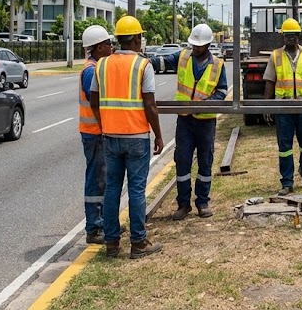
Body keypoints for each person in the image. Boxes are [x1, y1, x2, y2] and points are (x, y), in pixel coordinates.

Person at [90, 15, 165, 259]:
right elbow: (150, 105)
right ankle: (139, 242)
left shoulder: (101, 65)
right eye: (141, 36)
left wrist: (104, 124)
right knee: (136, 190)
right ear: (134, 39)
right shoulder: (143, 65)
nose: (142, 40)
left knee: (112, 189)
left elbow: (94, 101)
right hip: (136, 137)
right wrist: (158, 135)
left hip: (110, 136)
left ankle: (112, 243)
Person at [152, 24, 227, 220]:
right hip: (185, 121)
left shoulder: (218, 65)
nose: (195, 48)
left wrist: (203, 105)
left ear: (208, 45)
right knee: (182, 161)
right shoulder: (183, 57)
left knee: (205, 162)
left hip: (205, 123)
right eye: (193, 44)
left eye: (199, 45)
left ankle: (203, 202)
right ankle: (183, 204)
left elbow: (222, 92)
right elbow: (162, 62)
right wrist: (143, 62)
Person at [263, 17, 302, 195]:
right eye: (288, 35)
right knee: (284, 147)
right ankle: (287, 182)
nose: (291, 38)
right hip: (283, 109)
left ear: (299, 37)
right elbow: (269, 82)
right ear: (283, 37)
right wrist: (267, 106)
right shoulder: (275, 56)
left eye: (294, 35)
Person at [79, 24, 116, 245]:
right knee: (96, 180)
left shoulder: (97, 67)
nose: (111, 47)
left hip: (96, 131)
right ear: (98, 47)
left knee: (102, 180)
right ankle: (94, 228)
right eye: (108, 43)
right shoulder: (91, 71)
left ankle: (100, 224)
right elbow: (95, 99)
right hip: (94, 132)